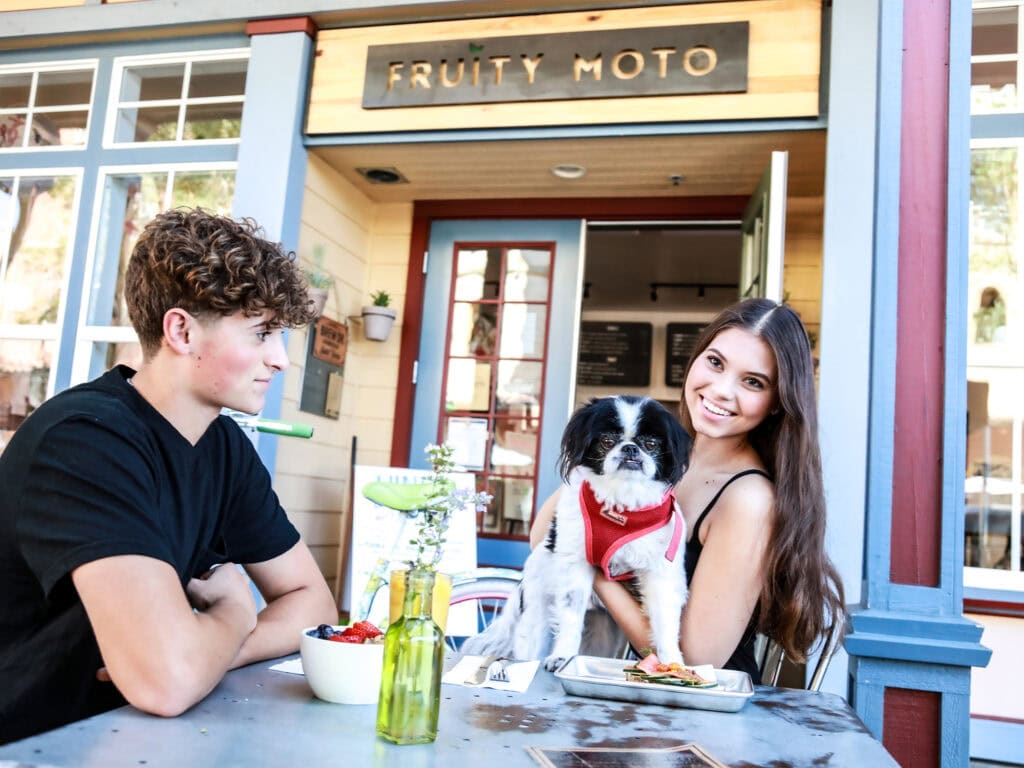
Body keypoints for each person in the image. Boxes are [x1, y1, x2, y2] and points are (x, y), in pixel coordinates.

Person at [0, 208, 337, 744]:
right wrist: (232, 609)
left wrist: (216, 646)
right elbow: (167, 682)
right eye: (261, 334)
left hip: (137, 738)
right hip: (34, 742)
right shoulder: (84, 440)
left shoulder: (224, 446)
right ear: (180, 329)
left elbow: (313, 603)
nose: (280, 360)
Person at [531, 298, 844, 678]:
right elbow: (541, 535)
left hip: (696, 710)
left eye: (752, 382)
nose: (721, 390)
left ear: (778, 402)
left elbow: (696, 657)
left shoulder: (748, 499)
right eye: (715, 362)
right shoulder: (658, 452)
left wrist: (590, 565)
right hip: (626, 684)